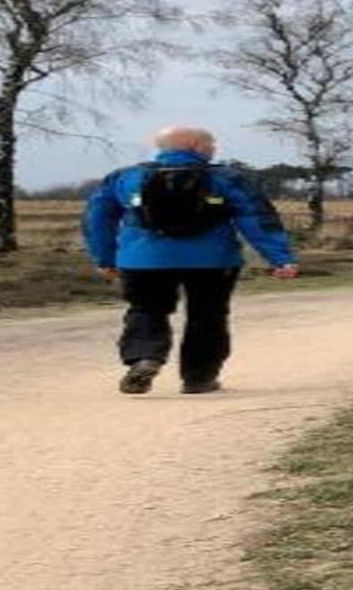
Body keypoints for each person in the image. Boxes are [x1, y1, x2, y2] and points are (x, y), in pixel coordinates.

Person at [83, 125, 298, 395]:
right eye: (211, 143)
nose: (214, 148)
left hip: (143, 260)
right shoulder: (227, 178)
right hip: (213, 261)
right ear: (196, 145)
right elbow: (257, 219)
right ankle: (199, 378)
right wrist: (280, 259)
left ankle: (145, 357)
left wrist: (104, 257)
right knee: (208, 316)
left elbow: (97, 219)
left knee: (146, 310)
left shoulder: (125, 177)